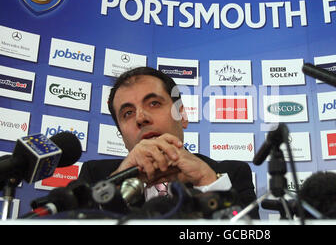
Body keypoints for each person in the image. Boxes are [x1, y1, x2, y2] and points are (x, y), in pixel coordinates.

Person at [78, 67, 259, 219]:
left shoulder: (231, 174)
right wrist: (115, 188)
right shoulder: (95, 177)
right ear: (121, 135)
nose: (140, 118)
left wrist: (208, 182)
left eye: (154, 103)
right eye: (127, 113)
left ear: (182, 116)